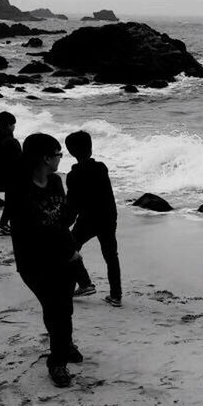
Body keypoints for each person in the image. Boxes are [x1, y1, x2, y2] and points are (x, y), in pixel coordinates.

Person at [5, 133, 83, 388]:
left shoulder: (56, 182)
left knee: (62, 309)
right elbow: (30, 232)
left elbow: (63, 221)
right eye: (58, 154)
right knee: (56, 308)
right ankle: (57, 362)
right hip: (34, 261)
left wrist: (77, 203)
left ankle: (64, 344)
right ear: (46, 158)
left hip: (64, 256)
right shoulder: (19, 189)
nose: (61, 158)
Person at [64, 130, 122, 307]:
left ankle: (84, 283)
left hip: (88, 218)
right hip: (108, 216)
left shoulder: (73, 176)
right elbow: (108, 195)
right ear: (90, 148)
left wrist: (65, 223)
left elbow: (73, 204)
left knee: (69, 249)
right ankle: (116, 296)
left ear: (71, 152)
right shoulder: (101, 168)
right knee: (111, 255)